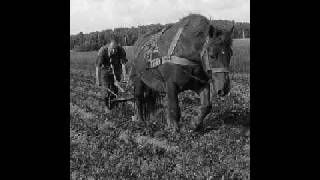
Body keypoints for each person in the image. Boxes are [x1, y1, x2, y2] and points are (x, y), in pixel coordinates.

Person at [95, 39, 128, 110]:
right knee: (106, 90)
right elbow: (98, 67)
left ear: (117, 47)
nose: (114, 51)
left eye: (115, 49)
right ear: (109, 47)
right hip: (105, 71)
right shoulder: (103, 51)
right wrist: (98, 80)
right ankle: (107, 106)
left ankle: (114, 105)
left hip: (116, 70)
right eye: (112, 49)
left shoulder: (121, 50)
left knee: (115, 89)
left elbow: (123, 64)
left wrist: (125, 77)